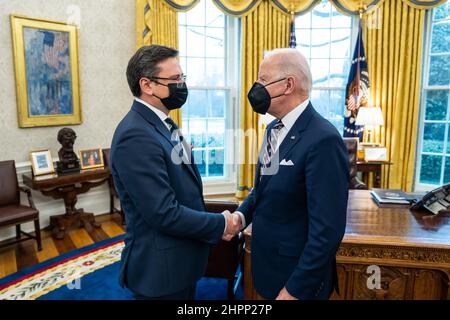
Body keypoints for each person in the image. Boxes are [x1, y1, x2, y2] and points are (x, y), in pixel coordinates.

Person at [110, 45, 242, 300]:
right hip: (160, 270)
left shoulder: (163, 122)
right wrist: (221, 223)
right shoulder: (135, 135)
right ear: (147, 85)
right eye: (175, 80)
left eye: (183, 78)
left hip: (180, 260)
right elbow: (163, 213)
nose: (182, 85)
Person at [236, 48, 349, 300]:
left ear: (288, 85)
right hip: (268, 270)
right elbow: (262, 190)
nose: (256, 87)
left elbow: (327, 230)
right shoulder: (272, 131)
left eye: (263, 80)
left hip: (297, 281)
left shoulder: (324, 140)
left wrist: (296, 289)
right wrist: (240, 217)